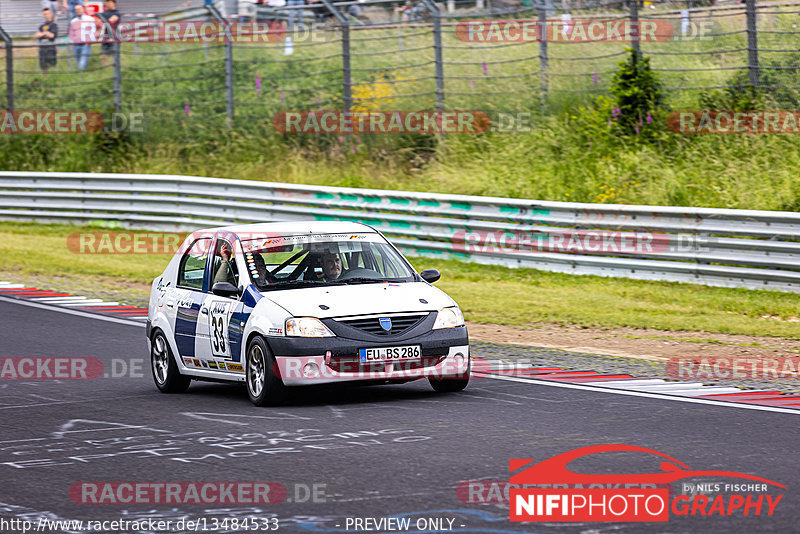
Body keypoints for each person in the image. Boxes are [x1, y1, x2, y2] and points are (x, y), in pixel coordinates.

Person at [68, 4, 96, 71]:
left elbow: (93, 31)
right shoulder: (73, 21)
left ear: (83, 9)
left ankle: (80, 78)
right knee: (78, 63)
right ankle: (84, 77)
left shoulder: (89, 19)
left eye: (79, 9)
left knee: (82, 64)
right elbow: (71, 33)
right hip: (76, 45)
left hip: (85, 45)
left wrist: (88, 42)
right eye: (76, 10)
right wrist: (72, 42)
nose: (78, 11)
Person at [97, 0, 120, 67]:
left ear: (114, 3)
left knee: (114, 55)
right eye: (107, 2)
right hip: (105, 37)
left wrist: (102, 21)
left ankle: (116, 68)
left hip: (114, 37)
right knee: (103, 56)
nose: (108, 4)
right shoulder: (104, 13)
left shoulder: (117, 13)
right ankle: (107, 68)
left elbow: (112, 20)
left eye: (110, 2)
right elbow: (99, 23)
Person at [35, 8, 59, 73]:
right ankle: (45, 78)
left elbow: (52, 35)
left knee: (52, 64)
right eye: (44, 14)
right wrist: (45, 33)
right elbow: (36, 35)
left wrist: (43, 34)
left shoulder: (54, 25)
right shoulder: (41, 25)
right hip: (42, 48)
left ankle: (54, 77)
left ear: (51, 14)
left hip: (51, 47)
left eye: (47, 13)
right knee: (43, 65)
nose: (46, 15)